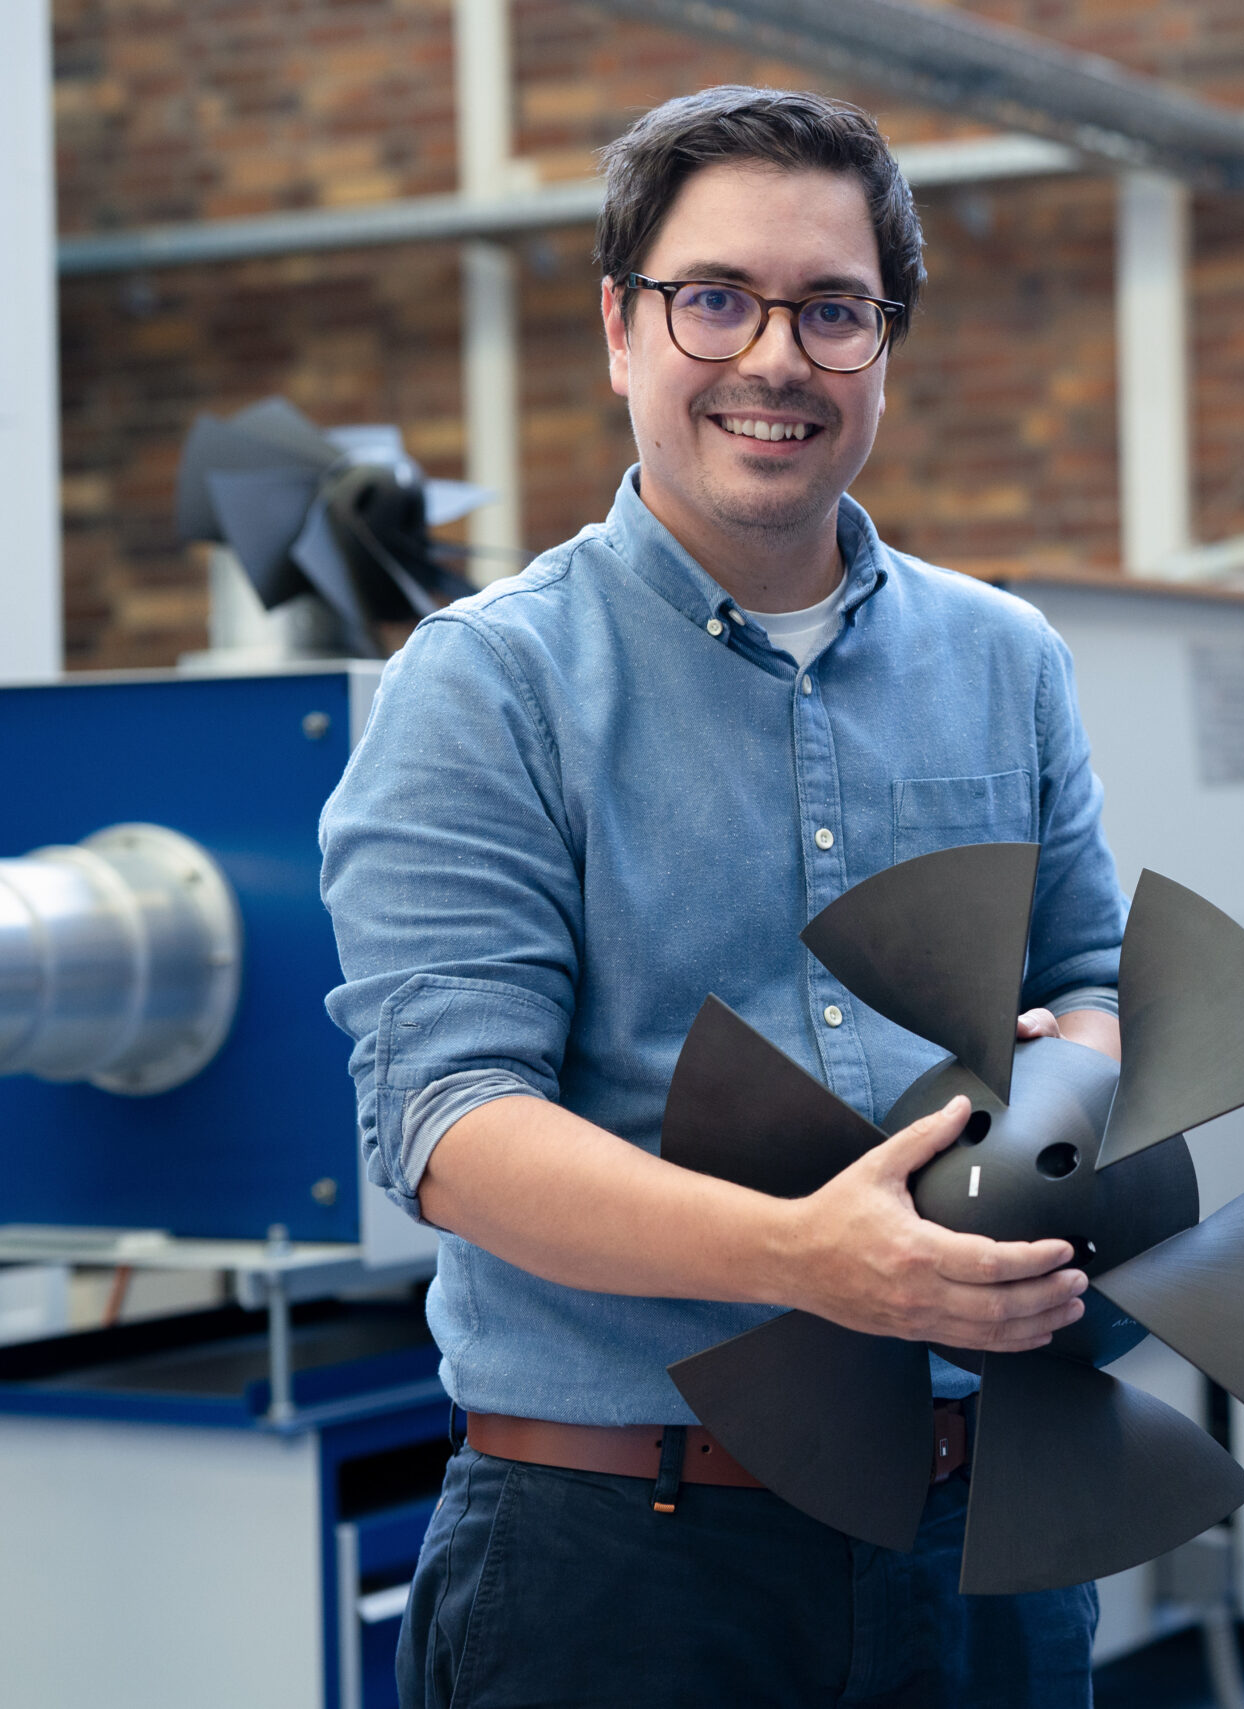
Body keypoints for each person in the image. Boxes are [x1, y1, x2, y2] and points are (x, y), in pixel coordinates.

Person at [319, 85, 1125, 1708]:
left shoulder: (1006, 661)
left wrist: (1059, 1096)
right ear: (622, 329)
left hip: (978, 1545)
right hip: (621, 1560)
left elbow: (1096, 975)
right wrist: (808, 1257)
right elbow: (453, 1128)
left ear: (884, 346)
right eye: (716, 299)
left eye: (833, 310)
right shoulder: (487, 686)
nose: (775, 358)